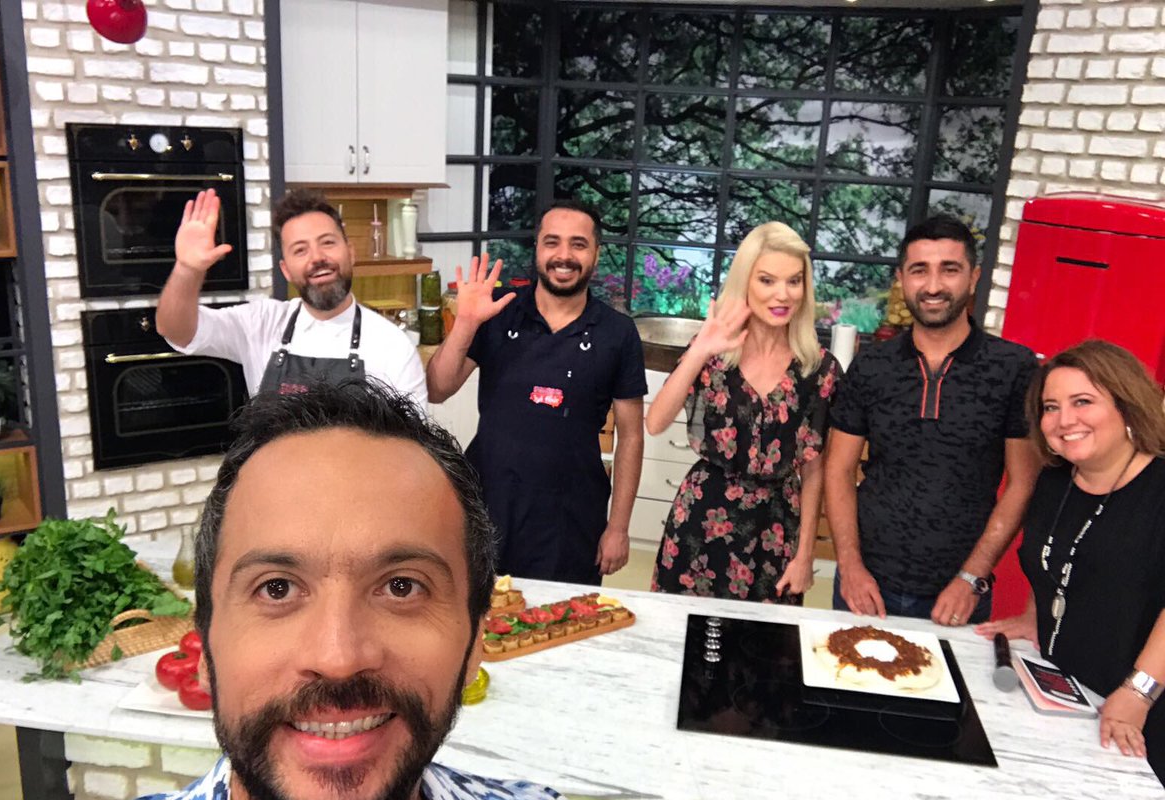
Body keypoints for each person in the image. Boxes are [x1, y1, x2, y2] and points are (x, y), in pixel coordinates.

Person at [0, 380, 627, 800]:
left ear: (475, 641)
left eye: (402, 586)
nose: (337, 657)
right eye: (277, 588)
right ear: (205, 644)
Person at [977, 340, 1165, 800]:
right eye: (1051, 408)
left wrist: (1140, 690)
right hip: (1083, 695)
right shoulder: (1058, 481)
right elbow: (1060, 559)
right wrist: (1035, 618)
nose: (1064, 421)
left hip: (1145, 704)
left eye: (1083, 402)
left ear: (1125, 403)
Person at [824, 214, 1040, 626]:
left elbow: (1023, 483)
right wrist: (849, 565)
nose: (934, 286)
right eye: (920, 270)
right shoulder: (872, 365)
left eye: (950, 269)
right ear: (902, 279)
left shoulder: (1013, 367)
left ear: (974, 277)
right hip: (864, 585)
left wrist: (971, 577)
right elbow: (838, 469)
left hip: (959, 594)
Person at [425, 200, 646, 585]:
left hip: (572, 518)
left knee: (563, 617)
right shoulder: (500, 312)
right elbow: (438, 388)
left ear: (596, 255)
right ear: (538, 249)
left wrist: (618, 528)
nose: (564, 255)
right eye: (552, 242)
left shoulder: (618, 333)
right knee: (479, 614)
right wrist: (465, 322)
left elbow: (631, 436)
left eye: (578, 244)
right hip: (488, 505)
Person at [646, 223, 839, 602]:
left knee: (766, 636)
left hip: (777, 526)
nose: (783, 294)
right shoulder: (714, 352)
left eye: (794, 281)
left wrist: (806, 554)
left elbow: (815, 469)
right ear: (745, 282)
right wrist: (700, 350)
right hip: (703, 518)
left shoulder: (818, 369)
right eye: (767, 280)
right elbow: (656, 422)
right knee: (687, 631)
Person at [156, 187, 427, 407]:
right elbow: (177, 331)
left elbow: (412, 448)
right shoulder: (261, 323)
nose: (317, 257)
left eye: (328, 242)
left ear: (351, 252)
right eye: (300, 250)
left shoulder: (392, 345)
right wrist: (187, 269)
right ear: (285, 270)